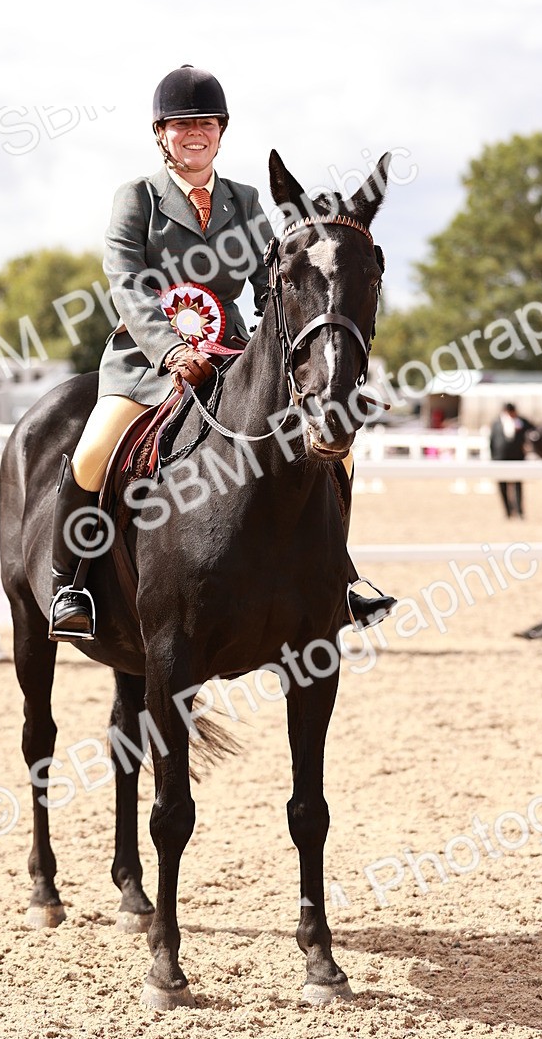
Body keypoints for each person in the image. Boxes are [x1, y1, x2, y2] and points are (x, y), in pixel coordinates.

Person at [49, 65, 395, 639]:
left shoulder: (245, 199)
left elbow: (273, 280)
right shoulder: (137, 198)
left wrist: (289, 341)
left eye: (205, 123)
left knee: (339, 452)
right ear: (161, 133)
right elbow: (126, 282)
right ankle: (72, 582)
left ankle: (339, 576)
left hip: (231, 352)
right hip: (146, 361)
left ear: (220, 131)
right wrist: (167, 347)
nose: (194, 133)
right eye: (181, 124)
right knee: (93, 453)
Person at [489, 402, 533, 518]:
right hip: (500, 458)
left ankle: (519, 511)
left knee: (517, 484)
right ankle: (508, 511)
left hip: (517, 457)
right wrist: (493, 458)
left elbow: (533, 433)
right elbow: (492, 441)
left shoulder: (522, 422)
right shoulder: (496, 423)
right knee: (502, 486)